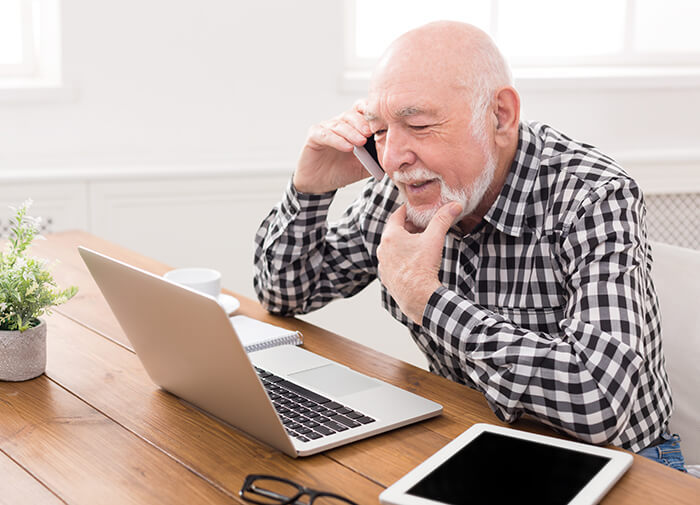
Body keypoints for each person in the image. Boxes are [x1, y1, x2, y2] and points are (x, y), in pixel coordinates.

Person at [253, 21, 685, 469]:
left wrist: (426, 299)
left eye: (417, 124)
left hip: (626, 465)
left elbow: (599, 401)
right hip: (474, 443)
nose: (392, 157)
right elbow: (285, 292)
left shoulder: (591, 195)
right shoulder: (401, 187)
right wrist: (309, 192)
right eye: (379, 130)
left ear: (500, 115)